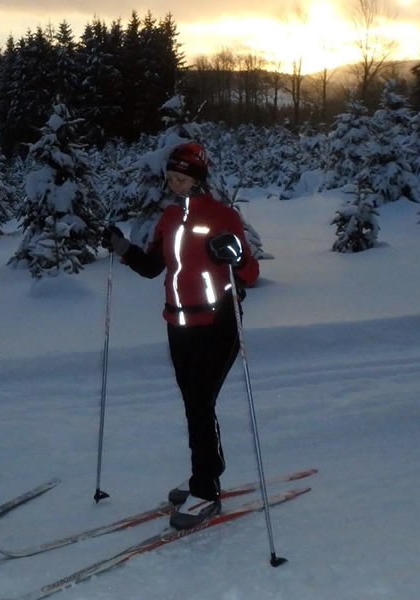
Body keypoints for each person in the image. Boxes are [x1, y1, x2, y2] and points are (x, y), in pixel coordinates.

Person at [101, 141, 259, 531]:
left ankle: (206, 487)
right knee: (194, 404)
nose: (175, 184)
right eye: (171, 178)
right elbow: (152, 266)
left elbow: (250, 273)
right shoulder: (169, 218)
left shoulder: (223, 216)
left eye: (182, 178)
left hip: (219, 324)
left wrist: (234, 255)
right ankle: (206, 471)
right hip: (178, 325)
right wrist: (121, 247)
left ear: (198, 179)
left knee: (200, 404)